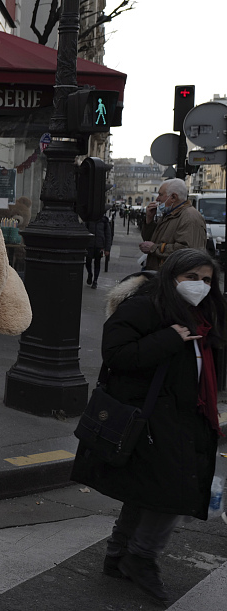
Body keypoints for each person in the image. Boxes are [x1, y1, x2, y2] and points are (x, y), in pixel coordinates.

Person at [71, 248, 225, 605]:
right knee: (171, 492)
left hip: (189, 415)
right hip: (153, 416)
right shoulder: (146, 306)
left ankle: (118, 553)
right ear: (172, 276)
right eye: (191, 278)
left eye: (206, 280)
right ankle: (140, 557)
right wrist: (169, 338)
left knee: (150, 488)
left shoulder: (204, 313)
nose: (200, 286)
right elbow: (117, 355)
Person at [139, 179, 206, 270]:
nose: (157, 199)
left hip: (171, 278)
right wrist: (149, 220)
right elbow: (150, 239)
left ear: (173, 197)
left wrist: (154, 248)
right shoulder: (171, 214)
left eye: (161, 194)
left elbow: (186, 250)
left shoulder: (189, 217)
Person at [84, 214, 113, 289]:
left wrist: (107, 249)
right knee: (88, 262)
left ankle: (95, 281)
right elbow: (84, 231)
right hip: (89, 245)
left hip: (99, 246)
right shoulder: (89, 220)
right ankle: (90, 274)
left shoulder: (104, 221)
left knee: (97, 263)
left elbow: (108, 236)